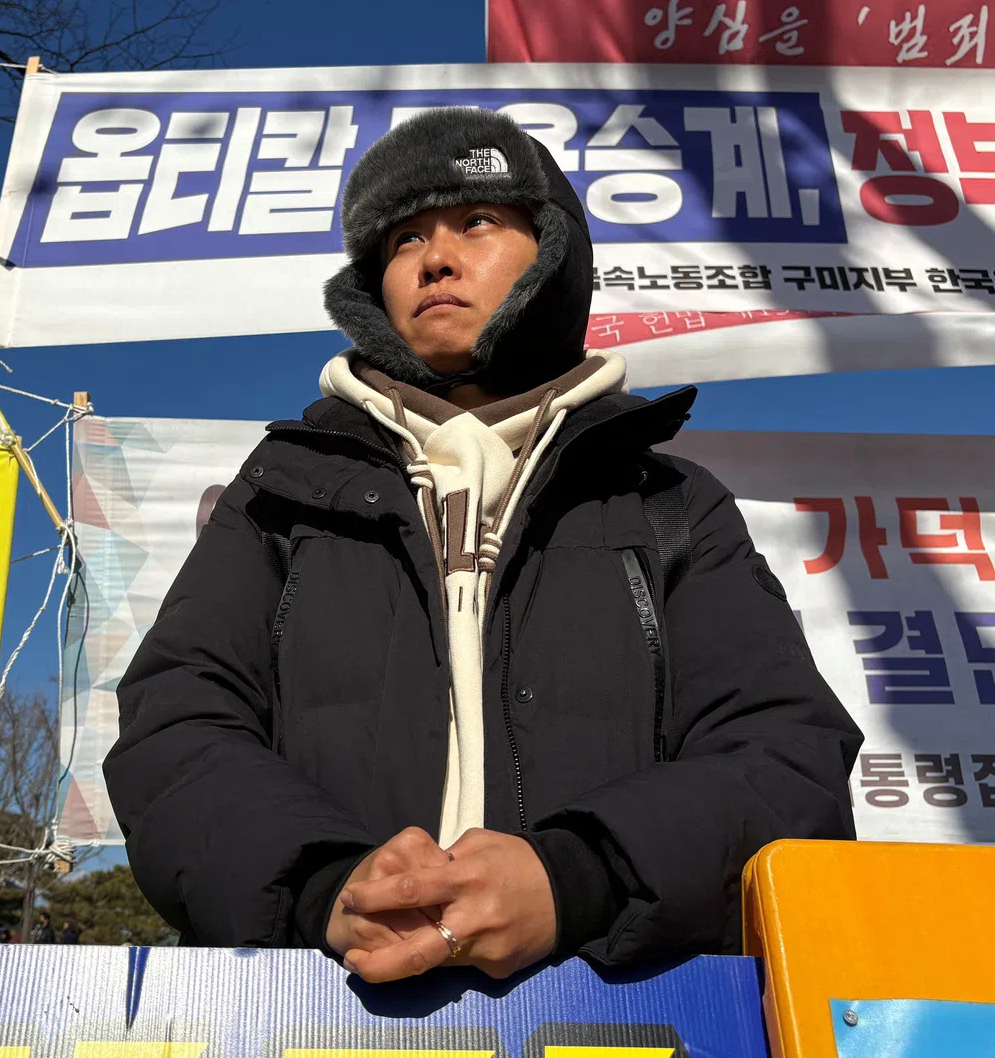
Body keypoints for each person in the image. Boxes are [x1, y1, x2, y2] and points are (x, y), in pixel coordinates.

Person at [105, 107, 862, 983]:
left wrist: (578, 875)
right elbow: (177, 722)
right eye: (400, 240)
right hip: (313, 1008)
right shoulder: (281, 496)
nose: (433, 258)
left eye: (476, 222)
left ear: (551, 252)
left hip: (619, 1011)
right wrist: (323, 880)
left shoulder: (668, 500)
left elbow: (784, 753)